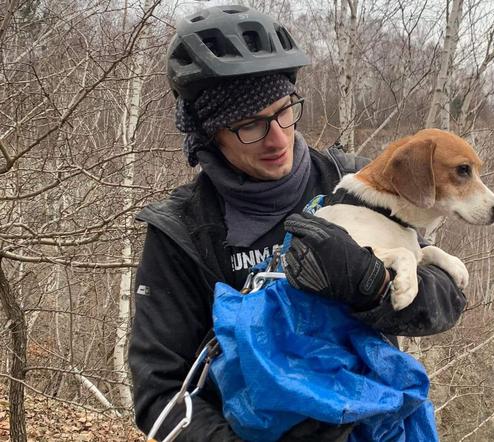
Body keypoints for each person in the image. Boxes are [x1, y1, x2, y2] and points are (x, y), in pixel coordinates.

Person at [128, 5, 467, 441]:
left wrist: (372, 285)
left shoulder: (355, 184)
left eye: (284, 110)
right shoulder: (181, 233)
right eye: (250, 124)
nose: (277, 137)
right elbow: (160, 396)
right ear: (210, 133)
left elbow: (445, 303)